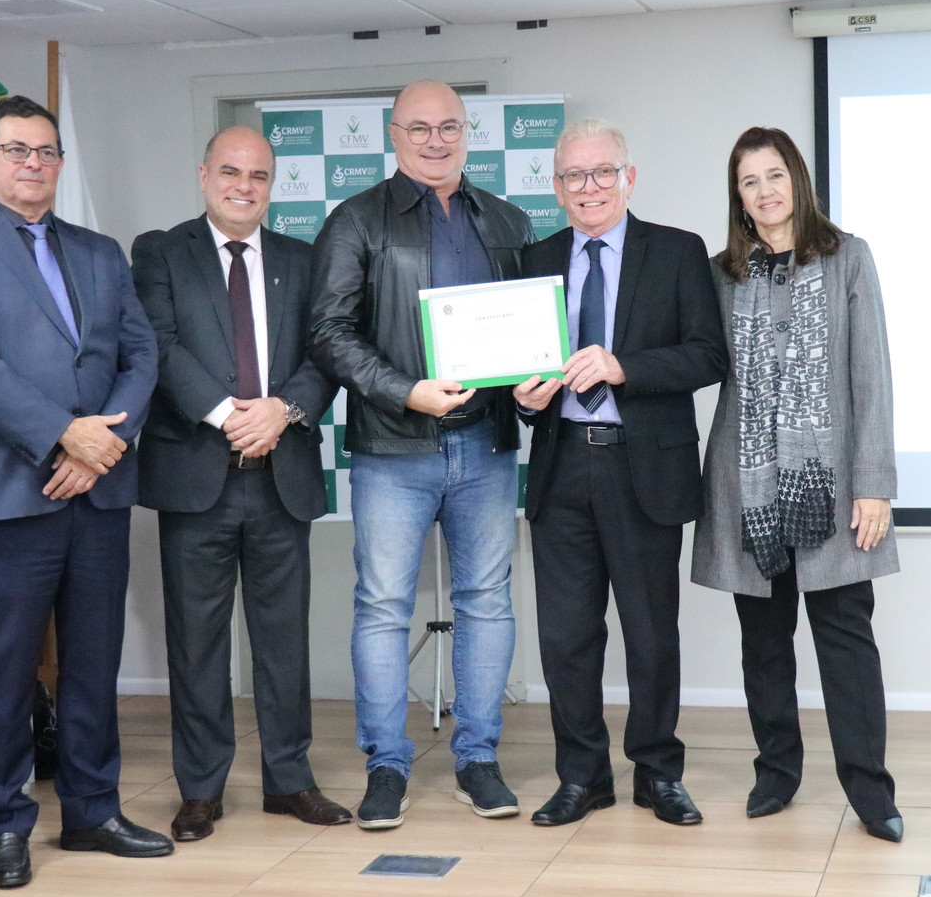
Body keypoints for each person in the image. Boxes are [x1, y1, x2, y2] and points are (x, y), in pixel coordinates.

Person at [0, 95, 168, 888]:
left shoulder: (99, 251)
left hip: (96, 493)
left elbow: (140, 354)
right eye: (18, 150)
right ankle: (3, 823)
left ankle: (92, 812)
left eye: (47, 151)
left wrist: (101, 447)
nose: (34, 164)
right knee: (5, 673)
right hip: (7, 497)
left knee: (93, 664)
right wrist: (65, 434)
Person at [309, 80, 536, 829]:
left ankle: (478, 759)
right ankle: (386, 766)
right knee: (382, 607)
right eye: (419, 128)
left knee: (487, 601)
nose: (435, 140)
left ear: (467, 132)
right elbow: (330, 333)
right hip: (391, 448)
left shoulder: (507, 219)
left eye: (449, 127)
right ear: (393, 134)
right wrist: (406, 392)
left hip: (486, 445)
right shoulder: (355, 219)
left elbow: (530, 332)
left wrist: (531, 383)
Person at [132, 126, 346, 842]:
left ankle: (290, 780)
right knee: (197, 644)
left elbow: (326, 354)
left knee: (284, 642)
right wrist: (231, 416)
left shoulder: (303, 259)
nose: (243, 186)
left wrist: (283, 411)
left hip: (281, 475)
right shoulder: (161, 252)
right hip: (197, 477)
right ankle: (200, 790)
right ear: (204, 175)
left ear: (271, 184)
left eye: (258, 175)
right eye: (230, 171)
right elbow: (159, 345)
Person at [691, 126, 904, 842]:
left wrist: (874, 484)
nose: (765, 191)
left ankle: (870, 791)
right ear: (738, 197)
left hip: (833, 488)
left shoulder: (848, 258)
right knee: (764, 644)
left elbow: (872, 376)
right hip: (748, 489)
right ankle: (776, 774)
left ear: (798, 180)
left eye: (775, 175)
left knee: (846, 641)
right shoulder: (721, 274)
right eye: (749, 181)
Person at [513, 119, 727, 827]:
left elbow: (707, 355)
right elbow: (515, 369)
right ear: (556, 188)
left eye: (602, 172)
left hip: (644, 471)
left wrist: (622, 366)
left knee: (651, 635)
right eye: (574, 176)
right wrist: (521, 396)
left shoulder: (677, 251)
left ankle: (658, 773)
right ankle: (582, 777)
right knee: (566, 639)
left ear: (628, 178)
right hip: (560, 467)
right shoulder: (534, 259)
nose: (589, 187)